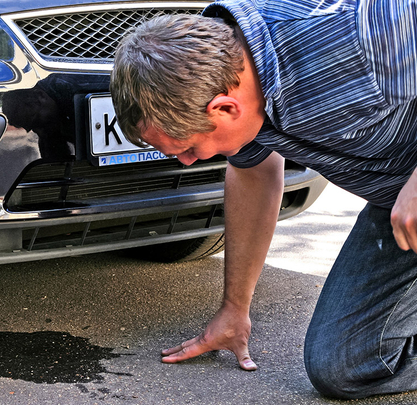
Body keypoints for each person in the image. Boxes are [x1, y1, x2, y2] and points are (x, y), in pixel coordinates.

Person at [109, 0, 417, 399]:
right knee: (344, 367)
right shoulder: (226, 75)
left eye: (187, 148)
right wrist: (235, 308)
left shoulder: (362, 37)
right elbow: (254, 174)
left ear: (225, 108)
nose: (187, 161)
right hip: (397, 207)